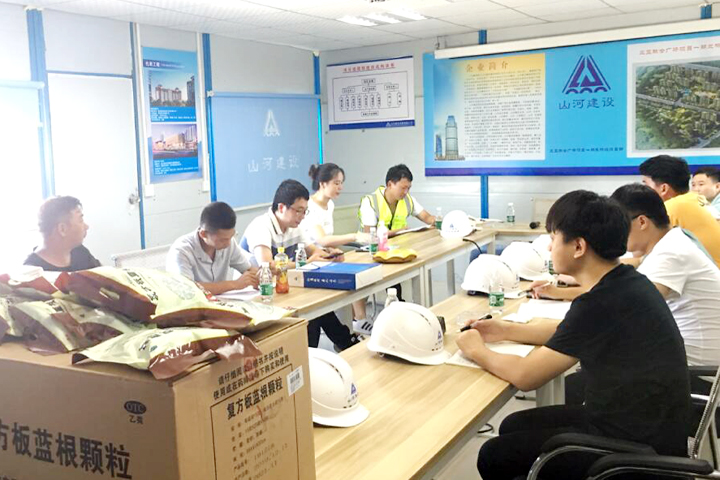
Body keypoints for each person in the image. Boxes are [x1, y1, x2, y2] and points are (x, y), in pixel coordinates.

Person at [457, 190, 690, 480]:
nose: (549, 247)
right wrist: (505, 329)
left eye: (553, 238)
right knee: (513, 425)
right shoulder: (625, 282)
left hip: (634, 450)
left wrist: (476, 350)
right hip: (644, 426)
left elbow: (526, 376)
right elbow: (569, 333)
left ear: (578, 246)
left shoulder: (601, 301)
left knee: (494, 455)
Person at [241, 179, 358, 350]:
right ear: (282, 207)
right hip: (257, 294)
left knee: (318, 305)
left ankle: (334, 346)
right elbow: (268, 266)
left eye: (305, 211)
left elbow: (312, 251)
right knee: (312, 312)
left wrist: (330, 255)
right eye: (298, 211)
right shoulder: (261, 227)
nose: (302, 216)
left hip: (282, 288)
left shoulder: (294, 226)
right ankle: (337, 345)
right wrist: (306, 262)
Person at [301, 163, 372, 335]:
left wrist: (335, 250)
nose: (340, 187)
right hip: (310, 262)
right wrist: (355, 236)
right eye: (336, 183)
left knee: (361, 275)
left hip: (326, 259)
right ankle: (350, 329)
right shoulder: (310, 207)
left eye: (341, 183)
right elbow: (321, 240)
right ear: (322, 183)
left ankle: (354, 325)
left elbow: (328, 241)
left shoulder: (330, 204)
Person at [639, 155, 720, 266]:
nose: (643, 190)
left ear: (663, 188)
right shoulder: (695, 199)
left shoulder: (672, 207)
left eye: (645, 184)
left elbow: (643, 252)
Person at [166, 201, 258, 295]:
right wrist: (234, 284)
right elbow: (187, 289)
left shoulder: (229, 242)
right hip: (193, 303)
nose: (228, 244)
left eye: (231, 237)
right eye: (222, 240)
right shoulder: (182, 250)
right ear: (203, 234)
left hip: (221, 301)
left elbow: (248, 269)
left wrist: (261, 276)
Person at [25, 196, 101, 272]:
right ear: (62, 229)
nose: (86, 226)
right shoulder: (32, 271)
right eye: (80, 220)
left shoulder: (79, 251)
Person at [358, 164, 436, 236]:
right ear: (389, 185)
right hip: (376, 245)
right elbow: (369, 234)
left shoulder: (407, 200)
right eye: (403, 188)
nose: (406, 192)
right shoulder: (370, 202)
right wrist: (402, 230)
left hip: (400, 243)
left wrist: (438, 221)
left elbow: (427, 218)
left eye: (408, 188)